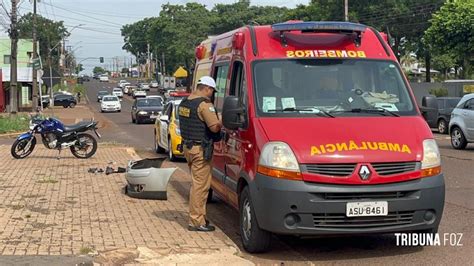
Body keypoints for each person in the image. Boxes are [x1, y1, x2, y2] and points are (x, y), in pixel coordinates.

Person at [178, 76, 222, 232]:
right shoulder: (204, 105)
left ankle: (200, 217)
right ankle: (196, 222)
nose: (211, 94)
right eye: (211, 91)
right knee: (200, 187)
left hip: (188, 148)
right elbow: (215, 128)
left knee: (197, 184)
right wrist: (221, 120)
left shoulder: (185, 102)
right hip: (200, 151)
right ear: (207, 89)